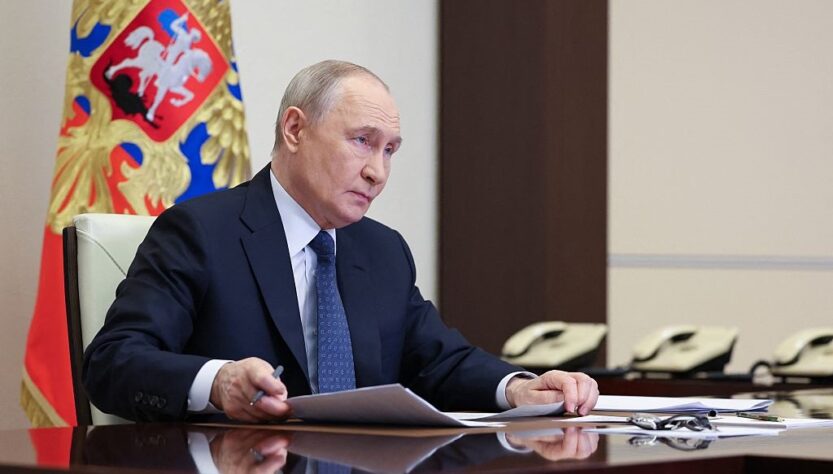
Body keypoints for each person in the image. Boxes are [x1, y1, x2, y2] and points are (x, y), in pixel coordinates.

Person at [83, 60, 599, 423]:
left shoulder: (382, 251)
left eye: (390, 151)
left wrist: (518, 388)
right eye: (362, 142)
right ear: (294, 129)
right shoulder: (200, 232)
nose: (378, 172)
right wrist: (217, 382)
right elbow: (112, 362)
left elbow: (439, 361)